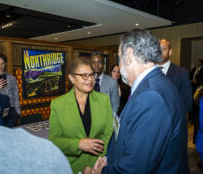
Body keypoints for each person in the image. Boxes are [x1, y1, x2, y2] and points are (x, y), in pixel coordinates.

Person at [0, 26, 72, 173]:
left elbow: (15, 97)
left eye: (0, 63)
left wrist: (16, 113)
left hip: (9, 115)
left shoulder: (11, 79)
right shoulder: (47, 156)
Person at [87, 29, 189, 174]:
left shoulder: (151, 95)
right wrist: (109, 158)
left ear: (128, 55)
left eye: (119, 58)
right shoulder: (156, 84)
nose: (120, 64)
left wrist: (103, 171)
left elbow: (135, 168)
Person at [49, 58, 113, 174]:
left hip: (97, 165)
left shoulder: (104, 100)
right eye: (84, 75)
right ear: (71, 78)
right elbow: (54, 140)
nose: (90, 79)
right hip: (69, 166)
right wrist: (79, 144)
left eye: (92, 75)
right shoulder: (58, 104)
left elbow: (108, 135)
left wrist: (91, 164)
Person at [158, 39, 193, 113]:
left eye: (164, 49)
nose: (160, 52)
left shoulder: (182, 73)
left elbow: (187, 103)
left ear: (170, 52)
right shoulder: (146, 71)